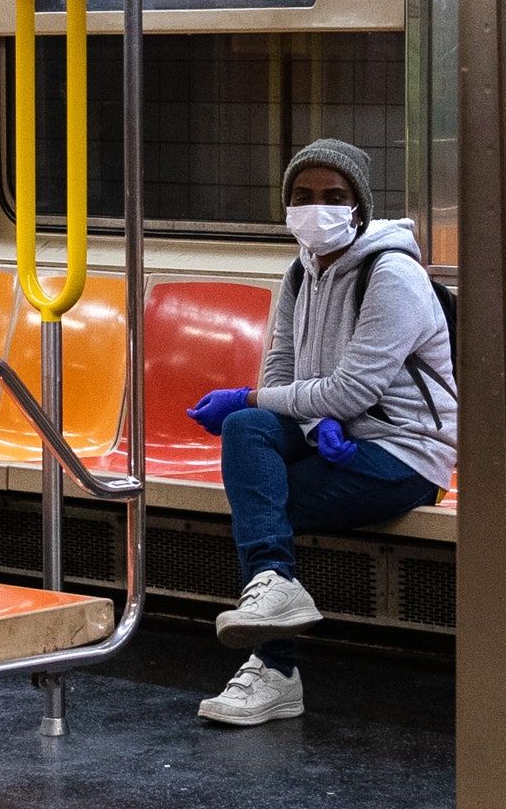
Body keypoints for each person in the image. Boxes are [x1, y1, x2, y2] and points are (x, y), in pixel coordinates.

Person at [184, 138, 455, 725]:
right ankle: (273, 592)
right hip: (336, 435)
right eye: (303, 196)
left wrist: (248, 397)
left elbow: (353, 392)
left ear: (360, 206)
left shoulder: (393, 276)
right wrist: (300, 420)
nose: (317, 207)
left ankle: (276, 667)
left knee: (260, 499)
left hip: (404, 452)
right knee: (248, 430)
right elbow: (282, 371)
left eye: (334, 196)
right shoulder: (300, 275)